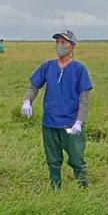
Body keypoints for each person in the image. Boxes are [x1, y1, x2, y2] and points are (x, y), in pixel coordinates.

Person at [20, 30, 93, 190]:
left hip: (70, 123)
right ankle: (55, 189)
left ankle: (83, 189)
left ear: (72, 47)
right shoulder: (47, 66)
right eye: (57, 42)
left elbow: (84, 97)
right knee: (53, 159)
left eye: (63, 42)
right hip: (50, 122)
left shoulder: (79, 69)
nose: (59, 45)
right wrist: (27, 101)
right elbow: (34, 86)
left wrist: (80, 121)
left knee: (76, 158)